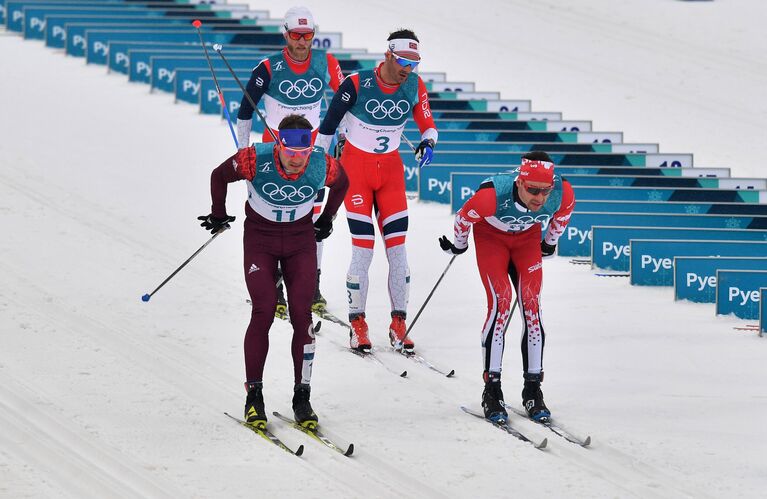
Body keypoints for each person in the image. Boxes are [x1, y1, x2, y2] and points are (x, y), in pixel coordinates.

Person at [198, 115, 348, 428]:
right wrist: (218, 213)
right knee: (264, 310)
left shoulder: (322, 164)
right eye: (290, 153)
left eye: (303, 154)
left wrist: (328, 218)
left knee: (302, 316)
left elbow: (343, 182)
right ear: (278, 145)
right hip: (260, 241)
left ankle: (302, 396)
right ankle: (254, 396)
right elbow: (218, 176)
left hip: (300, 242)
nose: (297, 161)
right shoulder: (255, 158)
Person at [315, 29, 438, 353]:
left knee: (398, 252)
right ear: (388, 55)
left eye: (413, 63)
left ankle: (399, 324)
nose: (407, 69)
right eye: (402, 61)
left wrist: (428, 141)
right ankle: (358, 325)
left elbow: (428, 123)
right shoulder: (356, 84)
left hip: (392, 175)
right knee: (363, 250)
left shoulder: (414, 85)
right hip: (356, 173)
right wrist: (317, 168)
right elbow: (327, 129)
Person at [439, 151, 575, 423]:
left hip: (526, 240)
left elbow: (562, 216)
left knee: (532, 309)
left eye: (545, 191)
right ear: (520, 183)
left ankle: (533, 389)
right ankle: (492, 390)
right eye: (533, 190)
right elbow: (463, 218)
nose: (540, 198)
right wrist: (460, 245)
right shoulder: (492, 195)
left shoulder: (562, 193)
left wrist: (549, 242)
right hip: (492, 239)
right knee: (501, 305)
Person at [236, 5, 345, 318]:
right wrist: (243, 153)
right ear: (285, 34)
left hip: (310, 155)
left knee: (312, 220)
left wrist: (342, 137)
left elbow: (347, 99)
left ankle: (312, 285)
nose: (302, 41)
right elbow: (245, 111)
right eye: (296, 35)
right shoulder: (268, 68)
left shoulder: (326, 63)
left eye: (307, 35)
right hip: (274, 155)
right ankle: (276, 287)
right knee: (277, 220)